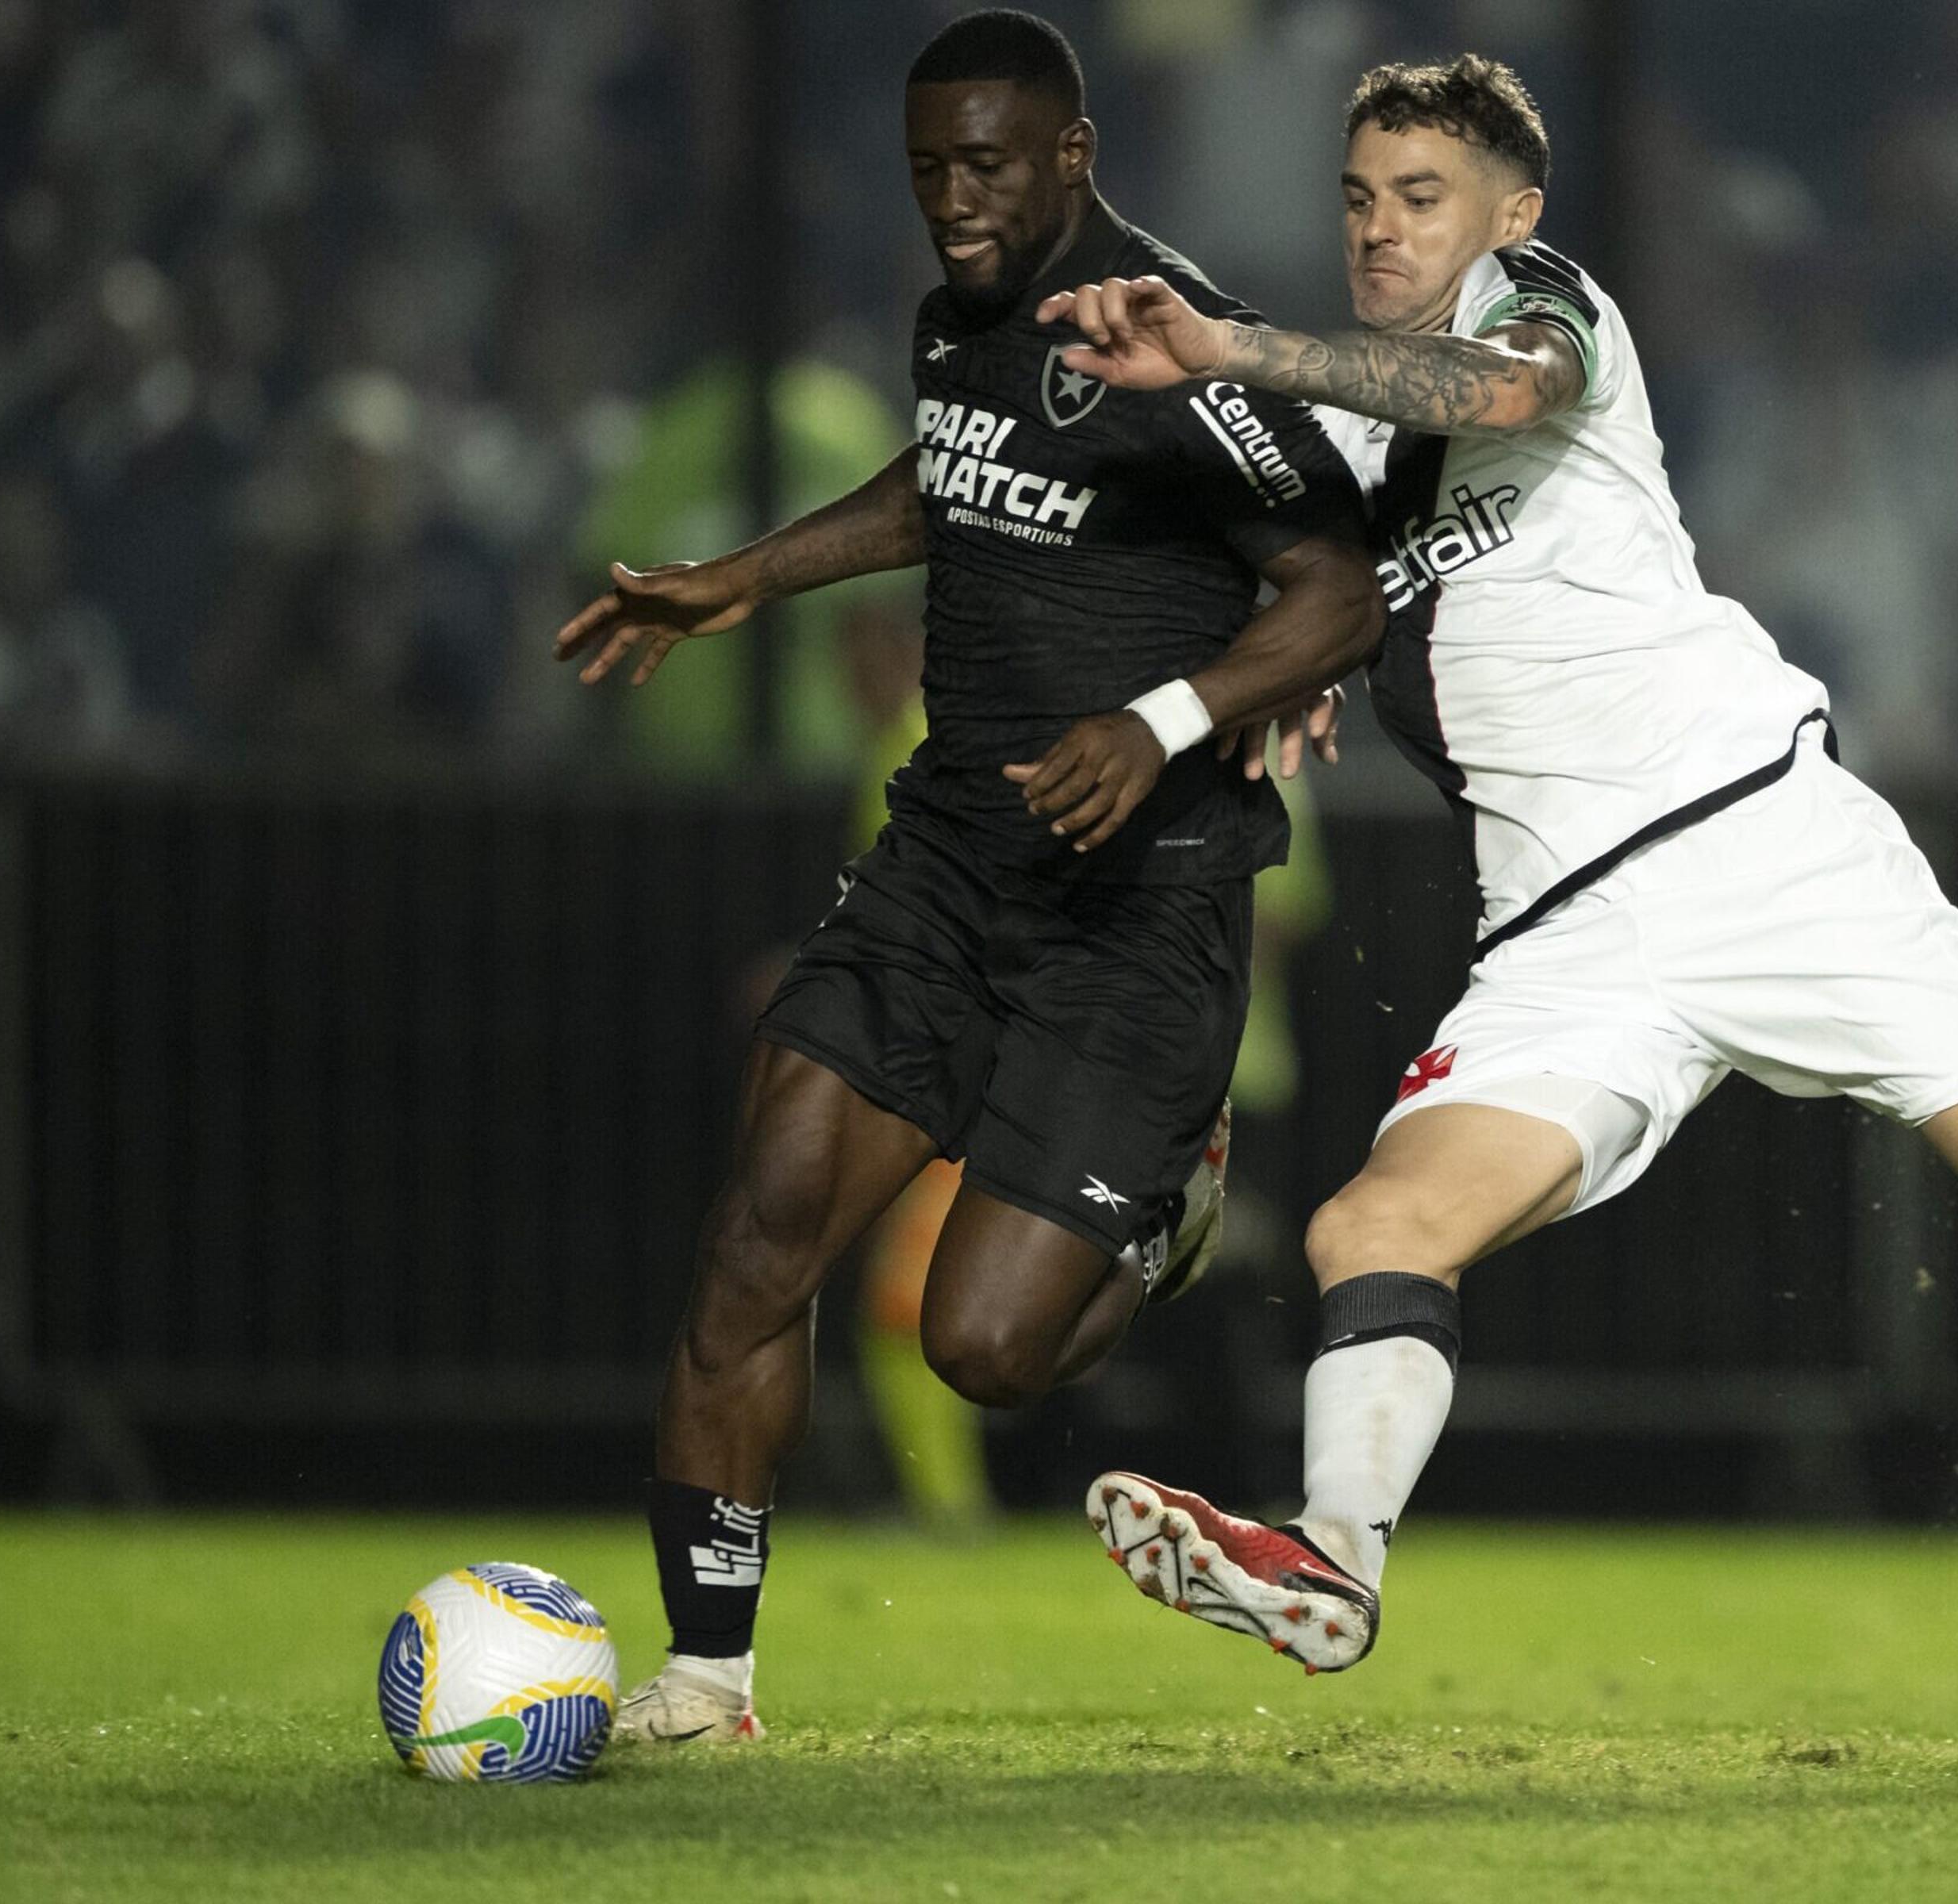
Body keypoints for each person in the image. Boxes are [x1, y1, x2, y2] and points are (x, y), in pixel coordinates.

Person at [1035, 54, 1958, 1676]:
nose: (1382, 230)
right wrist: (1277, 679)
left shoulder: (1550, 307)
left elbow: (1492, 394)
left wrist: (1224, 344)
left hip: (1760, 844)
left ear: (1512, 210)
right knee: (1374, 1229)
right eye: (1359, 197)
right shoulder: (1347, 458)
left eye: (1421, 197)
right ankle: (1331, 1565)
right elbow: (1315, 602)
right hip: (1569, 934)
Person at [551, 9, 1380, 1743]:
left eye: (989, 166)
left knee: (987, 1352)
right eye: (932, 169)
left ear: (1075, 155)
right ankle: (707, 1675)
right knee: (758, 1235)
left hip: (1136, 909)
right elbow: (950, 483)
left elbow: (1337, 593)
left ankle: (1165, 1209)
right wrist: (743, 580)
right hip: (942, 868)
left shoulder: (1170, 337)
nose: (955, 201)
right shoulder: (958, 322)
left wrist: (1163, 720)